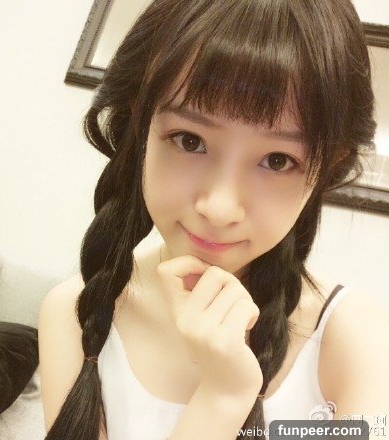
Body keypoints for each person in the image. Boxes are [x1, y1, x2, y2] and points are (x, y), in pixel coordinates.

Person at [38, 0, 389, 439]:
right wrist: (222, 398)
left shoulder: (358, 338)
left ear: (325, 168)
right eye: (189, 140)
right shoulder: (75, 312)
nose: (219, 208)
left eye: (277, 160)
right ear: (140, 125)